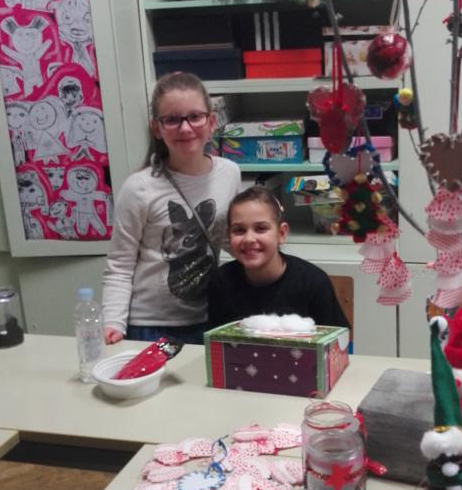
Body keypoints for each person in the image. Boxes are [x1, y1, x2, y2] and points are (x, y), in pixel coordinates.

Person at [102, 72, 240, 345]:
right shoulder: (138, 187)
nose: (185, 128)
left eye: (195, 117)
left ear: (211, 122)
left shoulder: (230, 173)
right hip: (150, 325)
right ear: (157, 128)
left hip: (209, 317)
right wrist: (113, 323)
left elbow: (226, 237)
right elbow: (120, 264)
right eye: (172, 120)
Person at [208, 185, 350, 330]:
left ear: (281, 233)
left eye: (261, 228)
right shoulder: (221, 282)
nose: (249, 238)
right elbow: (215, 339)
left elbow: (338, 339)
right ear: (229, 235)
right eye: (239, 230)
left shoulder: (313, 283)